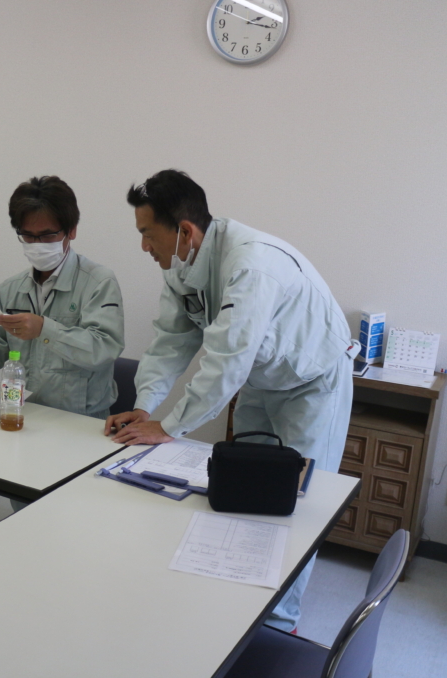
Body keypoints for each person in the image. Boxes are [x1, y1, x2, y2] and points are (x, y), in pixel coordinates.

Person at [105, 169, 358, 633]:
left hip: (313, 381)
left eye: (147, 234)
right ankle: (238, 598)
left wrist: (169, 426)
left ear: (184, 231)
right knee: (245, 488)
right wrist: (146, 406)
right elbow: (171, 341)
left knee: (295, 501)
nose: (143, 246)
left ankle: (280, 623)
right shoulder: (182, 265)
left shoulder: (251, 265)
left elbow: (227, 361)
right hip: (262, 378)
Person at [0, 175, 125, 539]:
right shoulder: (12, 288)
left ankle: (35, 554)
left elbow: (105, 347)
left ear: (71, 231)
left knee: (34, 509)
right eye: (28, 236)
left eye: (47, 235)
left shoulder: (98, 282)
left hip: (75, 423)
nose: (37, 245)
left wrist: (45, 329)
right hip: (19, 412)